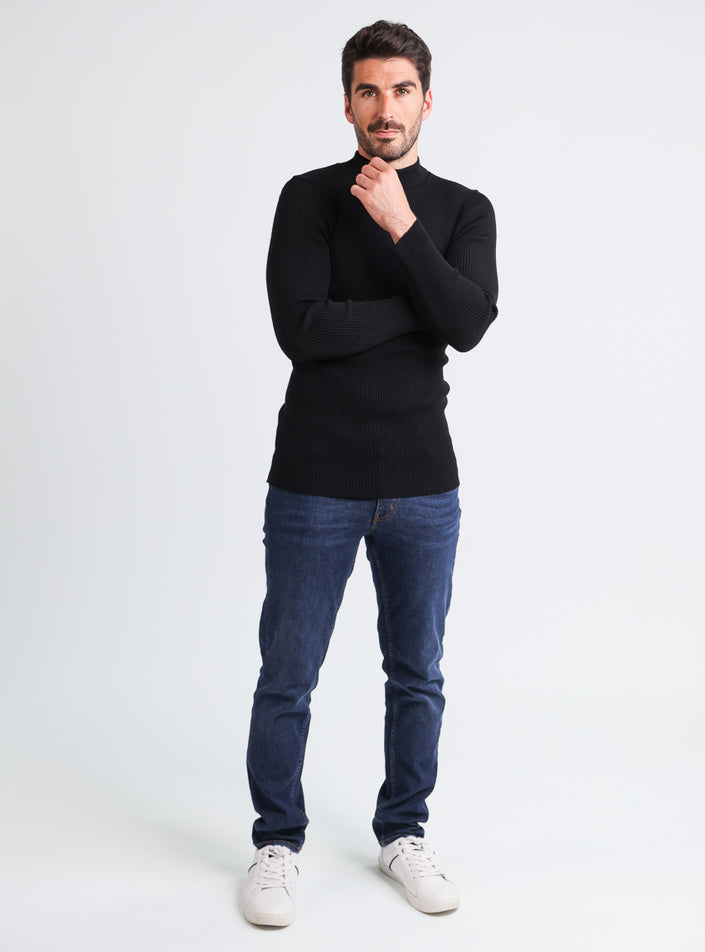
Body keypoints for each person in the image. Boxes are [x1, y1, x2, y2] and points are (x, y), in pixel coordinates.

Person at [243, 20, 499, 927]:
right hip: (314, 477)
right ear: (346, 103)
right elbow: (302, 330)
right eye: (366, 91)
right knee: (288, 672)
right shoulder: (307, 198)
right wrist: (418, 304)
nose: (383, 108)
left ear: (426, 101)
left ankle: (402, 832)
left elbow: (468, 325)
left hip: (424, 483)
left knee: (416, 672)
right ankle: (276, 843)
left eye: (399, 91)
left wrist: (400, 226)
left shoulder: (462, 209)